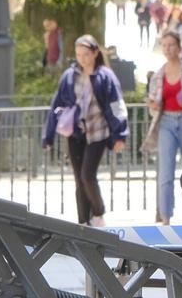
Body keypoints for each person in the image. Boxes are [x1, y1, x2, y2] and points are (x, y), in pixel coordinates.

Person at [41, 34, 128, 225]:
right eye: (79, 55)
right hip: (76, 133)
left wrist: (120, 134)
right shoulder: (69, 76)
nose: (82, 59)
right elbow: (56, 104)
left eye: (86, 54)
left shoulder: (105, 76)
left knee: (87, 175)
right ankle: (83, 221)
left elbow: (116, 106)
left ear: (95, 53)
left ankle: (98, 213)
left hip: (98, 133)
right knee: (79, 179)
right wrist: (47, 136)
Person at [145, 30, 182, 224]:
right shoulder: (159, 74)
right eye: (164, 45)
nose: (168, 49)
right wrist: (153, 105)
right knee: (165, 172)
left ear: (179, 46)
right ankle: (165, 217)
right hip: (166, 122)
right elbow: (153, 102)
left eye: (171, 45)